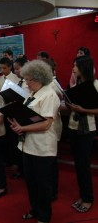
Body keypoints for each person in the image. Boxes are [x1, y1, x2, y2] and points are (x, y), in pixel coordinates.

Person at [8, 60, 60, 223]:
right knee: (31, 183)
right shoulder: (32, 94)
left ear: (38, 78)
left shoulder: (49, 94)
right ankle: (35, 209)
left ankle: (45, 217)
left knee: (43, 184)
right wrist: (18, 123)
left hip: (42, 148)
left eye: (28, 80)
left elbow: (46, 123)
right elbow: (28, 117)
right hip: (28, 146)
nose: (25, 83)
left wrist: (22, 128)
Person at [66, 55, 98, 213]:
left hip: (87, 129)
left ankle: (88, 198)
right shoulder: (76, 84)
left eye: (75, 66)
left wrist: (83, 110)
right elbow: (72, 106)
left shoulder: (96, 84)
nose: (73, 69)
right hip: (73, 126)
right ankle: (83, 195)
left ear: (83, 67)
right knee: (78, 165)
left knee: (84, 165)